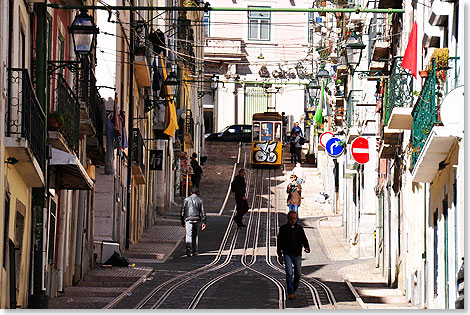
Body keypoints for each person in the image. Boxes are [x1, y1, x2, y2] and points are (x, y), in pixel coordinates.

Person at [277, 211, 310, 300]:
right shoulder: (283, 229)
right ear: (288, 219)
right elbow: (279, 242)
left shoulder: (299, 228)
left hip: (297, 254)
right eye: (291, 218)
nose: (293, 220)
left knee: (298, 274)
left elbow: (304, 239)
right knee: (289, 273)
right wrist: (280, 255)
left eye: (294, 218)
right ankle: (291, 291)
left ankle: (293, 288)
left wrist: (307, 247)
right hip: (287, 254)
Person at [180, 187, 207, 256]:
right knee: (195, 235)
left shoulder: (186, 200)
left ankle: (188, 249)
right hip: (197, 219)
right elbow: (203, 212)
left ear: (191, 193)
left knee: (189, 234)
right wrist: (204, 222)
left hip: (188, 219)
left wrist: (182, 221)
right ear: (197, 193)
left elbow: (182, 211)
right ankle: (195, 251)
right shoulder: (200, 200)